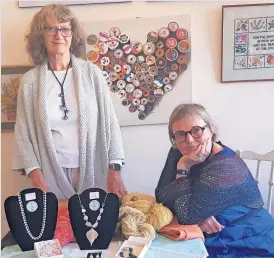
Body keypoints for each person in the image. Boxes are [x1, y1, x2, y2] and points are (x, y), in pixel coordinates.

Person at [12, 4, 127, 200]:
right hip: (50, 173)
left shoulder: (92, 74)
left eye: (65, 28)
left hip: (93, 167)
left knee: (94, 225)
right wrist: (36, 175)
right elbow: (22, 133)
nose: (59, 35)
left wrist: (114, 170)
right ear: (41, 35)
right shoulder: (30, 82)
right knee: (58, 228)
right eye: (51, 29)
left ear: (73, 34)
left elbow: (111, 123)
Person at [155, 103, 274, 257]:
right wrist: (197, 216)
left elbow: (186, 216)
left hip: (245, 234)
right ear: (174, 138)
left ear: (211, 130)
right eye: (180, 134)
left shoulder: (224, 164)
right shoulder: (178, 152)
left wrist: (184, 167)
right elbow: (161, 195)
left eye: (196, 130)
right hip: (210, 230)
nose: (189, 140)